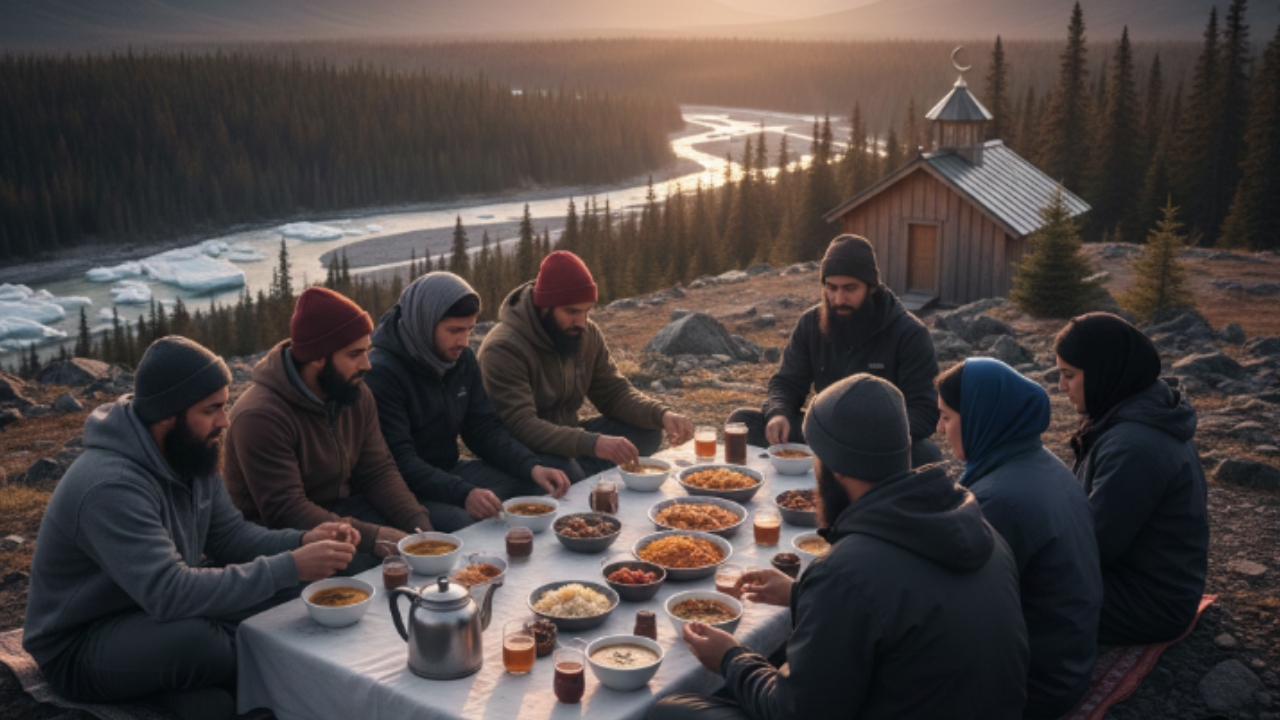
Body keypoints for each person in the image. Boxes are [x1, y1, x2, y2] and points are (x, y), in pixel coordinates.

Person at [650, 374, 1028, 720]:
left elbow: (793, 712)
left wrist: (731, 659)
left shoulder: (846, 572)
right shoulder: (984, 532)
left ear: (838, 465)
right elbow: (902, 608)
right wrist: (799, 594)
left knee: (670, 711)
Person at [23, 337, 357, 720]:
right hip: (82, 643)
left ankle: (210, 685)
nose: (225, 421)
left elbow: (231, 537)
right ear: (169, 413)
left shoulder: (189, 452)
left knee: (304, 592)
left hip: (154, 616)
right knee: (203, 645)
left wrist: (302, 542)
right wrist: (288, 566)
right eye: (212, 409)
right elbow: (168, 592)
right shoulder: (109, 485)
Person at [935, 357, 1102, 719]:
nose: (939, 427)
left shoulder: (998, 502)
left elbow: (954, 607)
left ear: (981, 416)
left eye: (947, 417)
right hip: (1069, 663)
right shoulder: (1038, 460)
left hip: (1035, 686)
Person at [223, 287, 433, 571]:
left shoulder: (353, 391)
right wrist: (374, 538)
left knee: (447, 528)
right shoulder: (260, 416)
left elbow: (377, 470)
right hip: (278, 535)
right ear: (317, 357)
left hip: (346, 510)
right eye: (355, 354)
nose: (367, 365)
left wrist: (418, 526)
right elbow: (286, 510)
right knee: (378, 565)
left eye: (366, 351)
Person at [364, 272, 572, 532]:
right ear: (425, 323)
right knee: (464, 523)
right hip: (404, 487)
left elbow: (483, 429)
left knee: (549, 476)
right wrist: (464, 494)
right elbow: (399, 461)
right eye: (454, 330)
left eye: (469, 330)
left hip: (451, 472)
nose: (463, 341)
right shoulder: (382, 373)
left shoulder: (461, 360)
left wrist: (532, 466)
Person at [1054, 312, 1209, 645]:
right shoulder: (1135, 410)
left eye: (1069, 375)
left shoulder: (1134, 446)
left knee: (1009, 590)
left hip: (1149, 602)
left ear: (1103, 371)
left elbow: (1094, 546)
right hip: (1146, 580)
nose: (1061, 386)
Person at [728, 235, 942, 466]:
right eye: (831, 288)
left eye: (850, 288)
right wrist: (778, 413)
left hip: (875, 442)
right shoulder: (811, 324)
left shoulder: (909, 333)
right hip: (824, 431)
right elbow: (787, 383)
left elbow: (924, 408)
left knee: (926, 455)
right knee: (742, 422)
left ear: (871, 287)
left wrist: (877, 437)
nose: (839, 299)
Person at [478, 250, 693, 479]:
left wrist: (662, 414)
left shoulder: (585, 333)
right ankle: (580, 477)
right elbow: (521, 426)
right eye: (571, 311)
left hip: (571, 439)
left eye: (586, 311)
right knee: (566, 469)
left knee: (648, 431)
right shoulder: (504, 348)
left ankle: (581, 478)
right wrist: (593, 444)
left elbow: (613, 393)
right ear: (544, 306)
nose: (581, 322)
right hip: (524, 450)